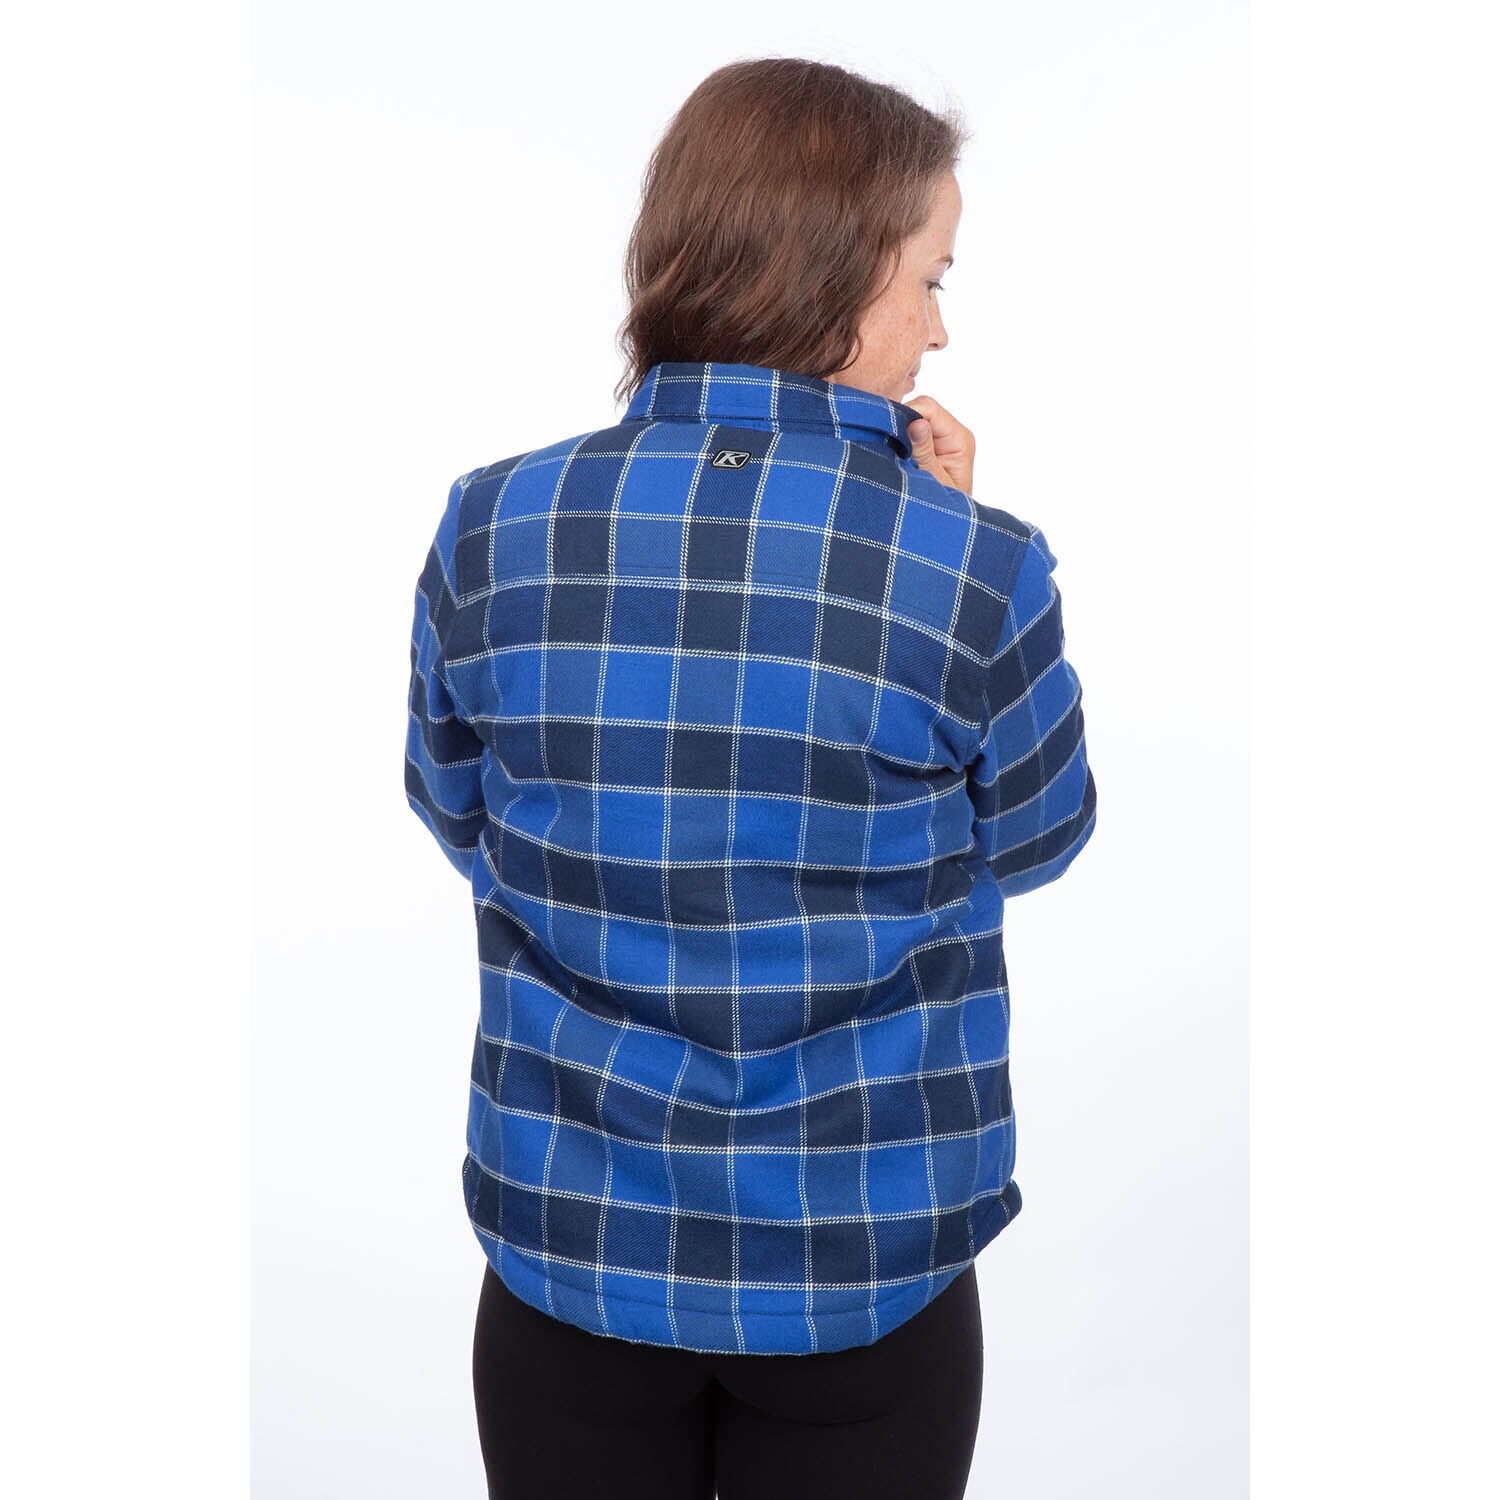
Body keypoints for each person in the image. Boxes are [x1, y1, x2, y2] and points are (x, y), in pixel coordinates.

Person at [405, 55, 1097, 1500]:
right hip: (862, 1263)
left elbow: (457, 806)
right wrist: (948, 549)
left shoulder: (492, 524)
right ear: (834, 274)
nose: (942, 327)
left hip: (573, 1247)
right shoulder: (976, 566)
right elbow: (1038, 836)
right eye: (931, 279)